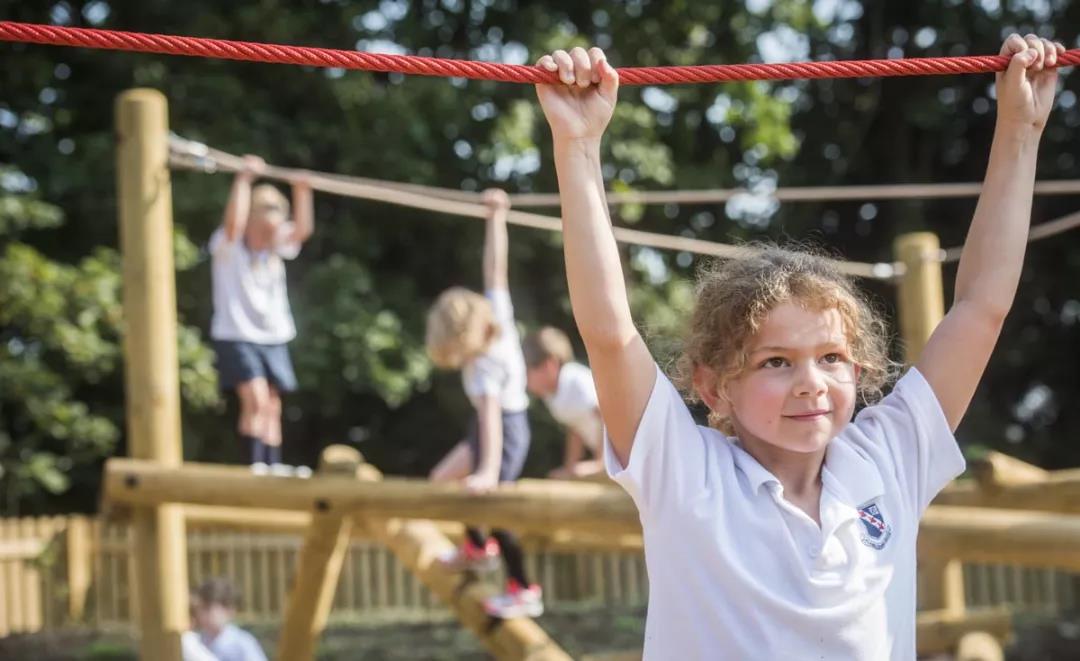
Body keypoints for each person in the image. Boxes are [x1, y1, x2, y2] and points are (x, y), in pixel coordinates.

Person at [534, 34, 1063, 659]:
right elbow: (610, 332)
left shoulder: (889, 458)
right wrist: (577, 147)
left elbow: (981, 307)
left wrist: (1021, 130)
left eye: (831, 358)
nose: (811, 381)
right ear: (712, 387)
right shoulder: (687, 475)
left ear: (859, 367)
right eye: (776, 362)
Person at [425, 189, 543, 619]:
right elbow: (495, 269)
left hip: (507, 433)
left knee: (493, 504)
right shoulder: (499, 317)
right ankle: (477, 547)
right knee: (441, 480)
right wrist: (496, 217)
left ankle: (524, 587)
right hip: (489, 430)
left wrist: (487, 472)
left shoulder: (482, 369)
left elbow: (492, 420)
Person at [209, 155, 314, 477]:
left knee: (272, 404)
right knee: (254, 398)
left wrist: (302, 191)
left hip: (272, 335)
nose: (275, 223)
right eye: (267, 211)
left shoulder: (275, 250)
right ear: (252, 216)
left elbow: (302, 231)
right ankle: (254, 464)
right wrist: (243, 180)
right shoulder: (228, 246)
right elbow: (233, 224)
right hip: (237, 333)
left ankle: (272, 463)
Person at [523, 326, 604, 479]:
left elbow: (607, 416)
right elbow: (575, 428)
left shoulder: (576, 381)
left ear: (550, 365)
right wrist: (570, 468)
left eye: (528, 372)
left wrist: (601, 463)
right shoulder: (551, 396)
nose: (525, 381)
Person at [189, 578, 267, 661]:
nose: (202, 614)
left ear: (229, 610)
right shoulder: (196, 641)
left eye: (207, 608)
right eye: (199, 609)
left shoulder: (242, 643)